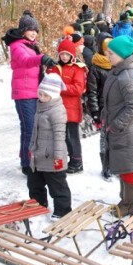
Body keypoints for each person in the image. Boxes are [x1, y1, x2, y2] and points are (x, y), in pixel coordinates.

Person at [4, 13, 57, 175]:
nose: (34, 33)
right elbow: (26, 61)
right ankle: (27, 164)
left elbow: (34, 65)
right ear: (23, 31)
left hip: (33, 92)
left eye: (36, 30)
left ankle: (28, 158)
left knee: (32, 128)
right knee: (29, 129)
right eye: (30, 30)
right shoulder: (17, 46)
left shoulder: (30, 45)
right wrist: (42, 58)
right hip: (23, 94)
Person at [103, 35, 133, 216]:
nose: (108, 56)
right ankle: (124, 200)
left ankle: (129, 204)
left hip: (125, 131)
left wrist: (116, 125)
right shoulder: (118, 70)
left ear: (121, 54)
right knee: (121, 166)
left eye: (111, 53)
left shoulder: (128, 75)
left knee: (127, 168)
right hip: (117, 128)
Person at [28, 73, 73, 219]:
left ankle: (63, 210)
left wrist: (58, 157)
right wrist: (31, 149)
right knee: (34, 183)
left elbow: (60, 136)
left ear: (53, 96)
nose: (41, 97)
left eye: (45, 95)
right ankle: (38, 206)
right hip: (38, 155)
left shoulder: (57, 111)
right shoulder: (40, 107)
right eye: (40, 93)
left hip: (52, 157)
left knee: (57, 185)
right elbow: (34, 131)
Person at [48, 39, 87, 174]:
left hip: (71, 108)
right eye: (62, 54)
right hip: (57, 107)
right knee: (61, 136)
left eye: (67, 54)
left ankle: (77, 160)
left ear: (72, 55)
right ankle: (67, 158)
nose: (64, 57)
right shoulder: (55, 68)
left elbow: (78, 88)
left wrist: (60, 87)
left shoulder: (78, 68)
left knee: (72, 136)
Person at [86, 32, 113, 181]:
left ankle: (115, 164)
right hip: (103, 109)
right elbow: (92, 92)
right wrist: (95, 112)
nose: (110, 53)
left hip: (116, 108)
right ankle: (106, 166)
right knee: (105, 139)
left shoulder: (117, 64)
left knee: (116, 139)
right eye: (107, 50)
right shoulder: (95, 67)